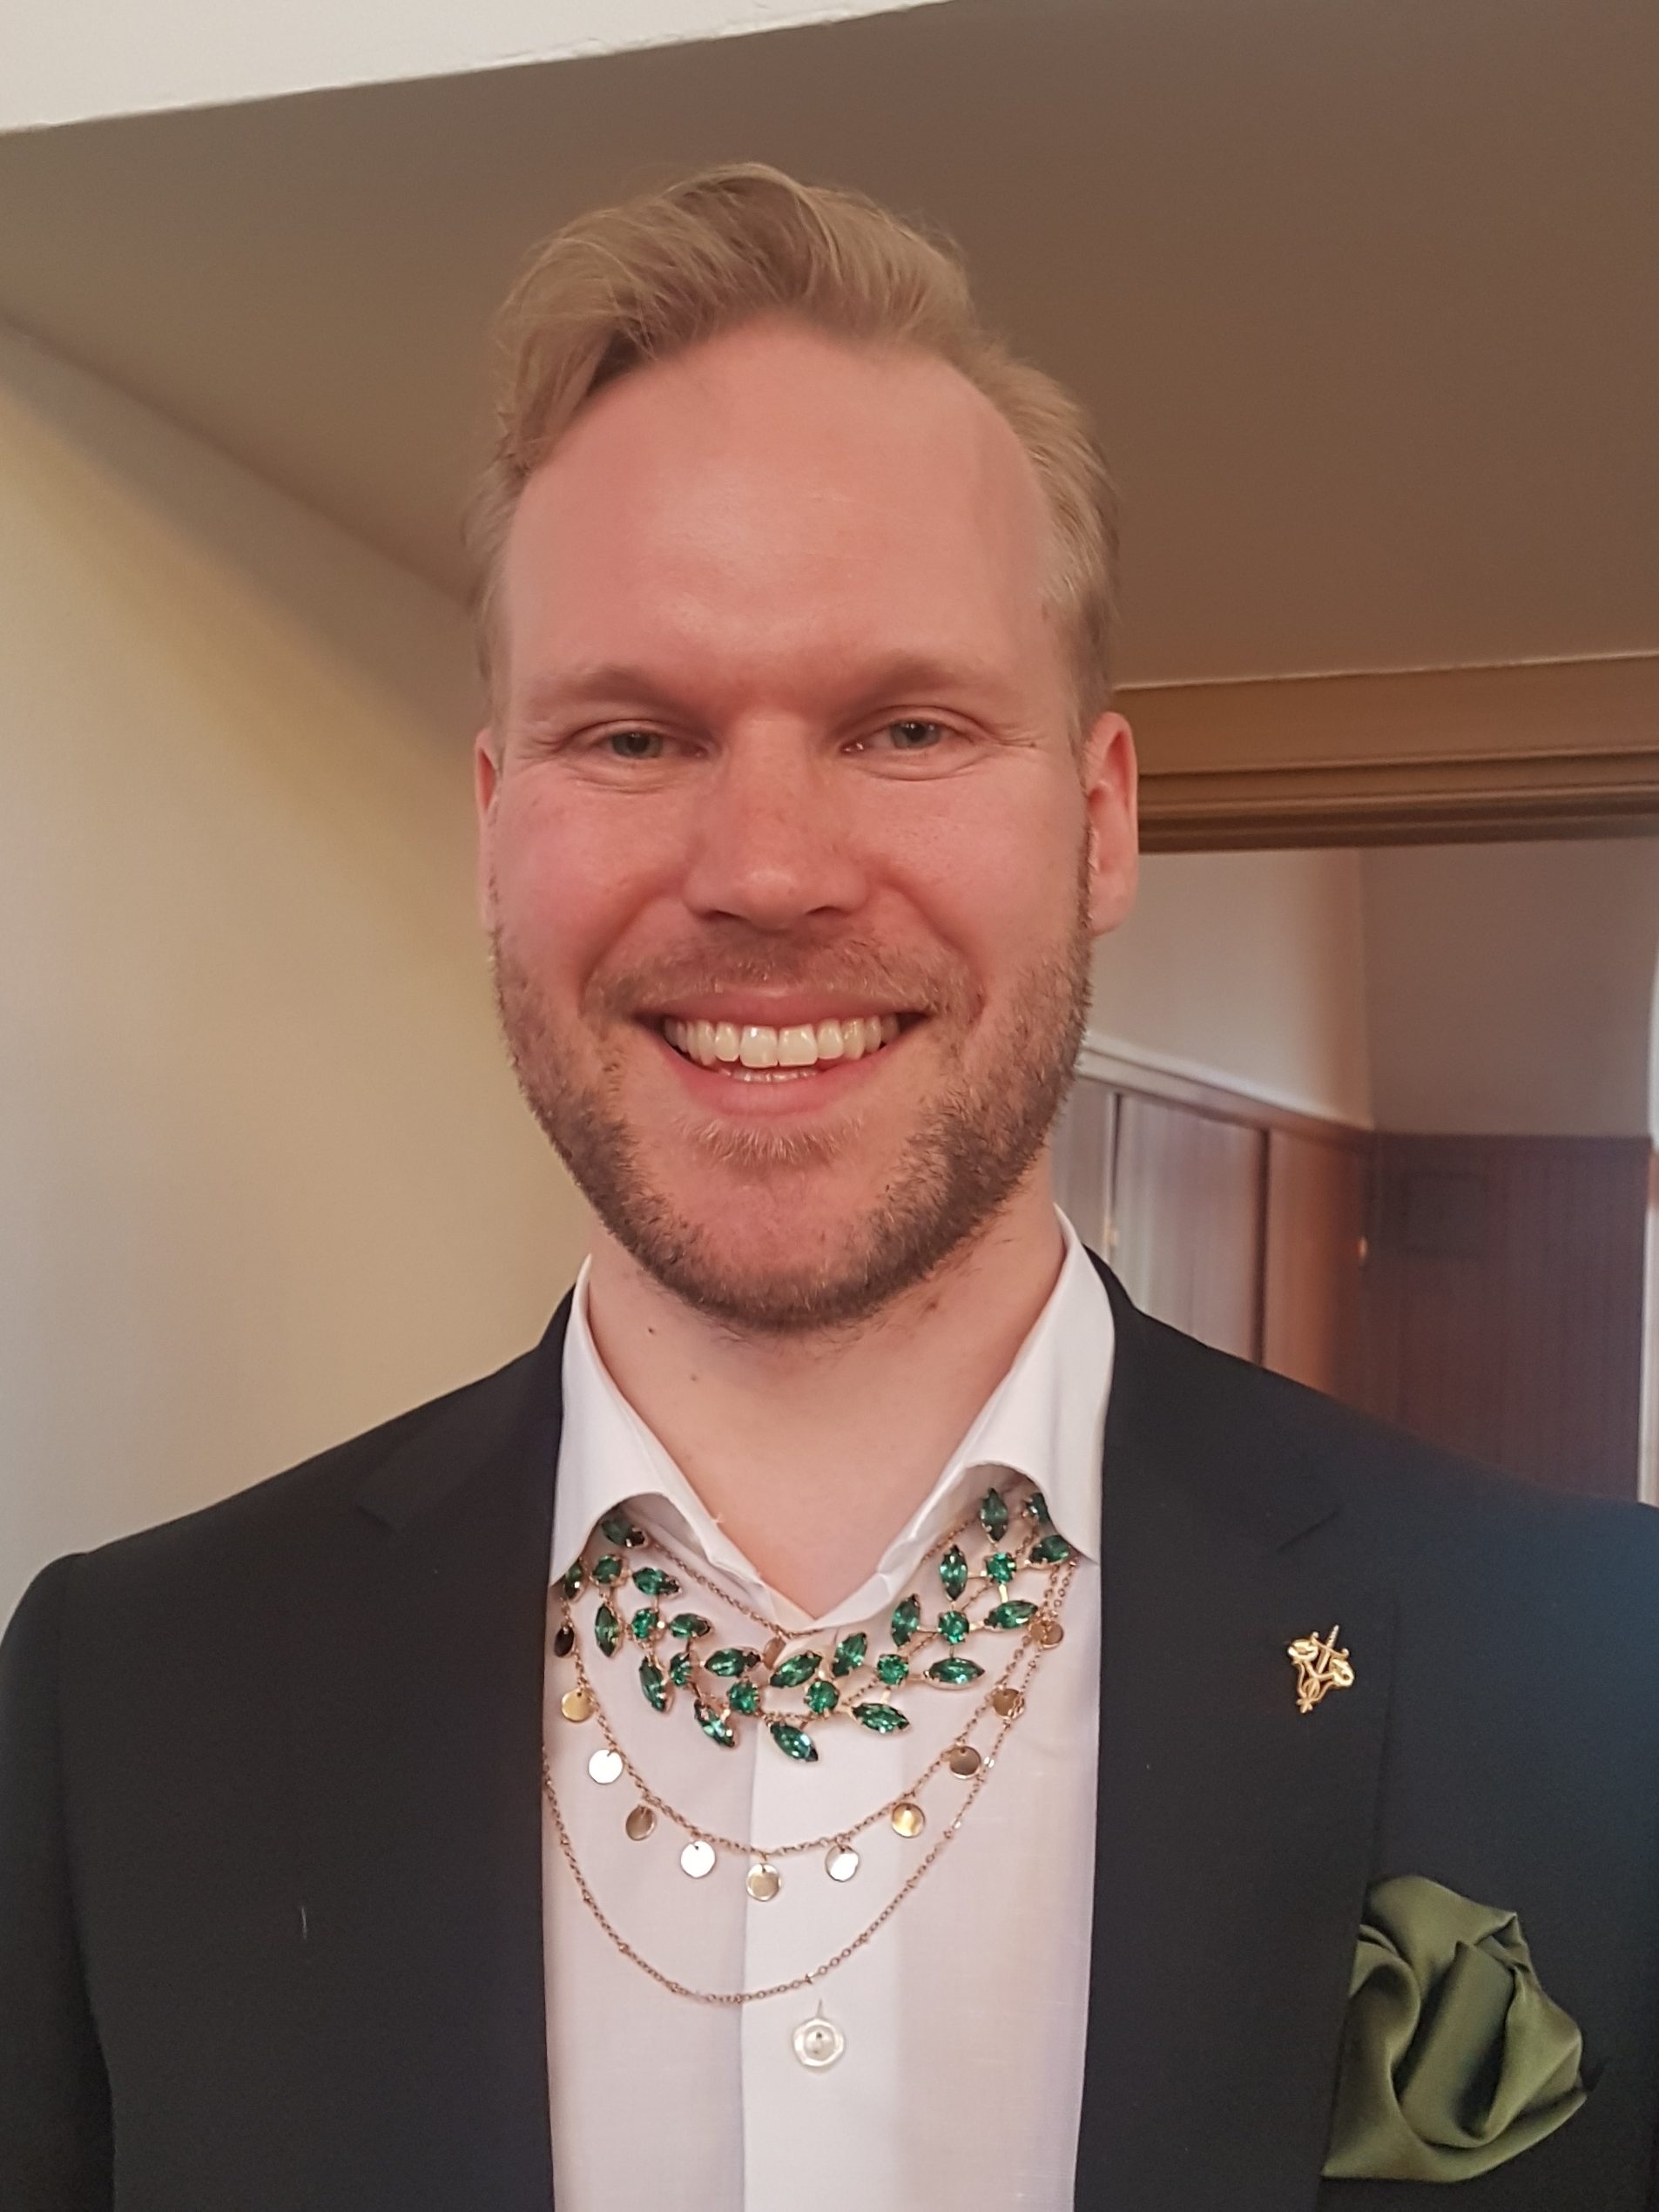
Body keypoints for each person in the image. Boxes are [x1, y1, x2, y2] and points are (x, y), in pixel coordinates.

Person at [3, 162, 1658, 2212]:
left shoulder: (1598, 1678)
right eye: (633, 736)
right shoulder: (123, 1704)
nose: (766, 870)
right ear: (496, 829)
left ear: (1099, 822)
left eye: (903, 725)